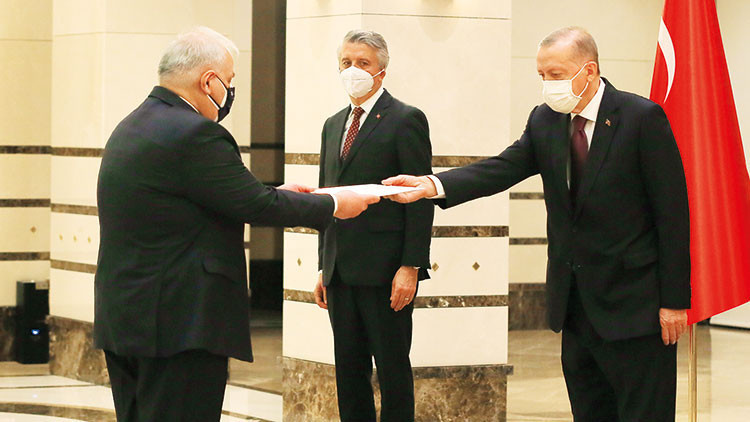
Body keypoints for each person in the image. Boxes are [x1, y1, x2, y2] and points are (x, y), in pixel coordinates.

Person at [384, 27, 690, 421]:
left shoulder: (641, 117)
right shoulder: (546, 120)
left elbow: (672, 214)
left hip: (636, 306)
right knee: (590, 412)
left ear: (589, 70)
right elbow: (501, 168)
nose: (548, 84)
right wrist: (432, 185)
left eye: (556, 74)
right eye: (542, 75)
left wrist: (674, 301)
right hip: (575, 307)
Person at [94, 27, 379, 422]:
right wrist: (333, 204)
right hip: (179, 325)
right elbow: (257, 206)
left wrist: (275, 192)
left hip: (128, 317)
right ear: (208, 81)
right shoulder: (196, 132)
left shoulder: (134, 124)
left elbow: (215, 196)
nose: (230, 91)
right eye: (229, 81)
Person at [312, 30, 434, 422]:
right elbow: (327, 199)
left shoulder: (405, 119)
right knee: (349, 373)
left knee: (392, 369)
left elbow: (419, 198)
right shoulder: (333, 124)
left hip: (386, 272)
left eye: (362, 63)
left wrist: (411, 265)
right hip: (340, 270)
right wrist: (323, 265)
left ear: (381, 70)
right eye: (346, 62)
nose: (353, 70)